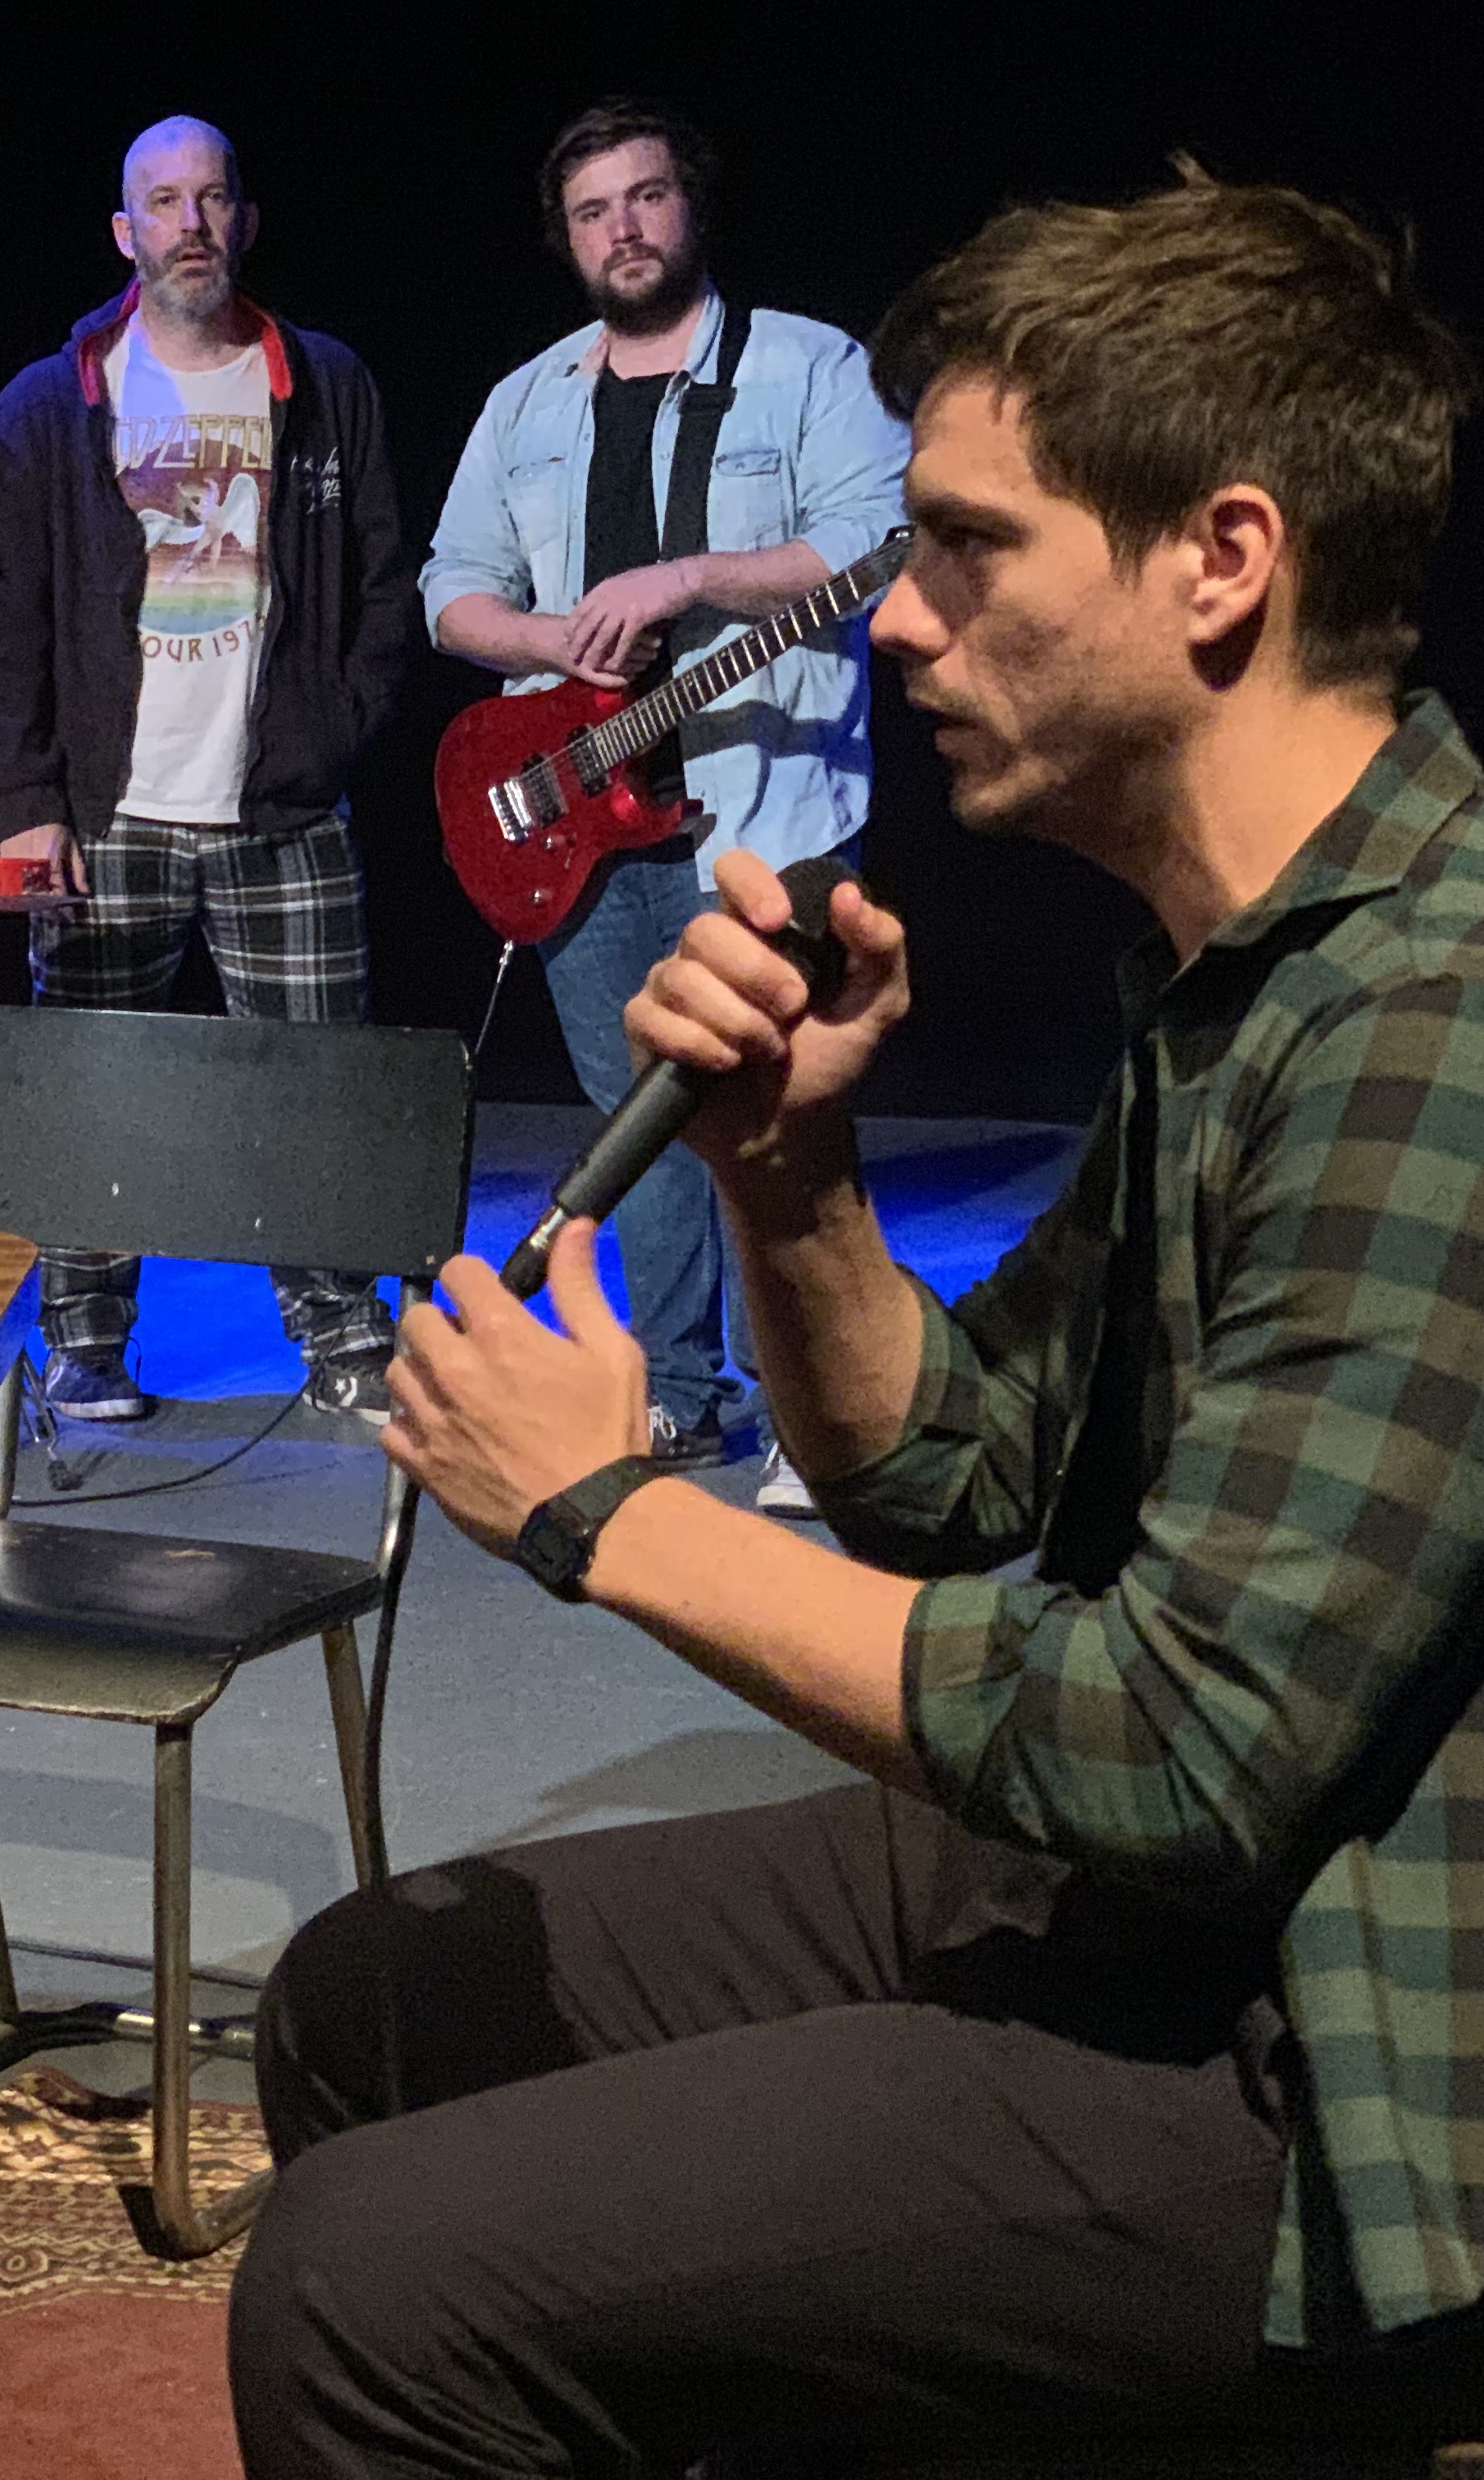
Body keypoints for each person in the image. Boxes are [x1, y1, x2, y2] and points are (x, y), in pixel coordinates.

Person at [231, 172, 1482, 2476]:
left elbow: (1177, 1748)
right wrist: (789, 1175)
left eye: (968, 549)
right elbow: (961, 1472)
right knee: (375, 2002)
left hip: (1356, 2057)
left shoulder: (1439, 1018)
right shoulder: (1249, 975)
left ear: (1224, 559)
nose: (896, 617)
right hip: (1164, 1900)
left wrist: (608, 1514)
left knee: (365, 2294)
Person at [422, 100, 910, 1505]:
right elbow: (450, 591)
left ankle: (822, 1414)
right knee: (634, 1116)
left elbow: (873, 542)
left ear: (687, 205)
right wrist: (550, 640)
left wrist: (687, 578)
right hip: (583, 814)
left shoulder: (810, 366)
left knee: (773, 1108)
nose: (622, 229)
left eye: (644, 197)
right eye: (592, 211)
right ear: (567, 238)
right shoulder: (524, 402)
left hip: (763, 807)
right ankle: (687, 1395)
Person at [0, 115, 412, 1426]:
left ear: (245, 221)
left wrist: (335, 729)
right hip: (109, 817)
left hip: (282, 807)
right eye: (164, 202)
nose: (191, 224)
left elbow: (384, 580)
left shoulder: (322, 383)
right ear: (126, 232)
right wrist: (25, 808)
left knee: (316, 1084)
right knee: (98, 1090)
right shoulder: (45, 408)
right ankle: (87, 1342)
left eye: (212, 198)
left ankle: (342, 1335)